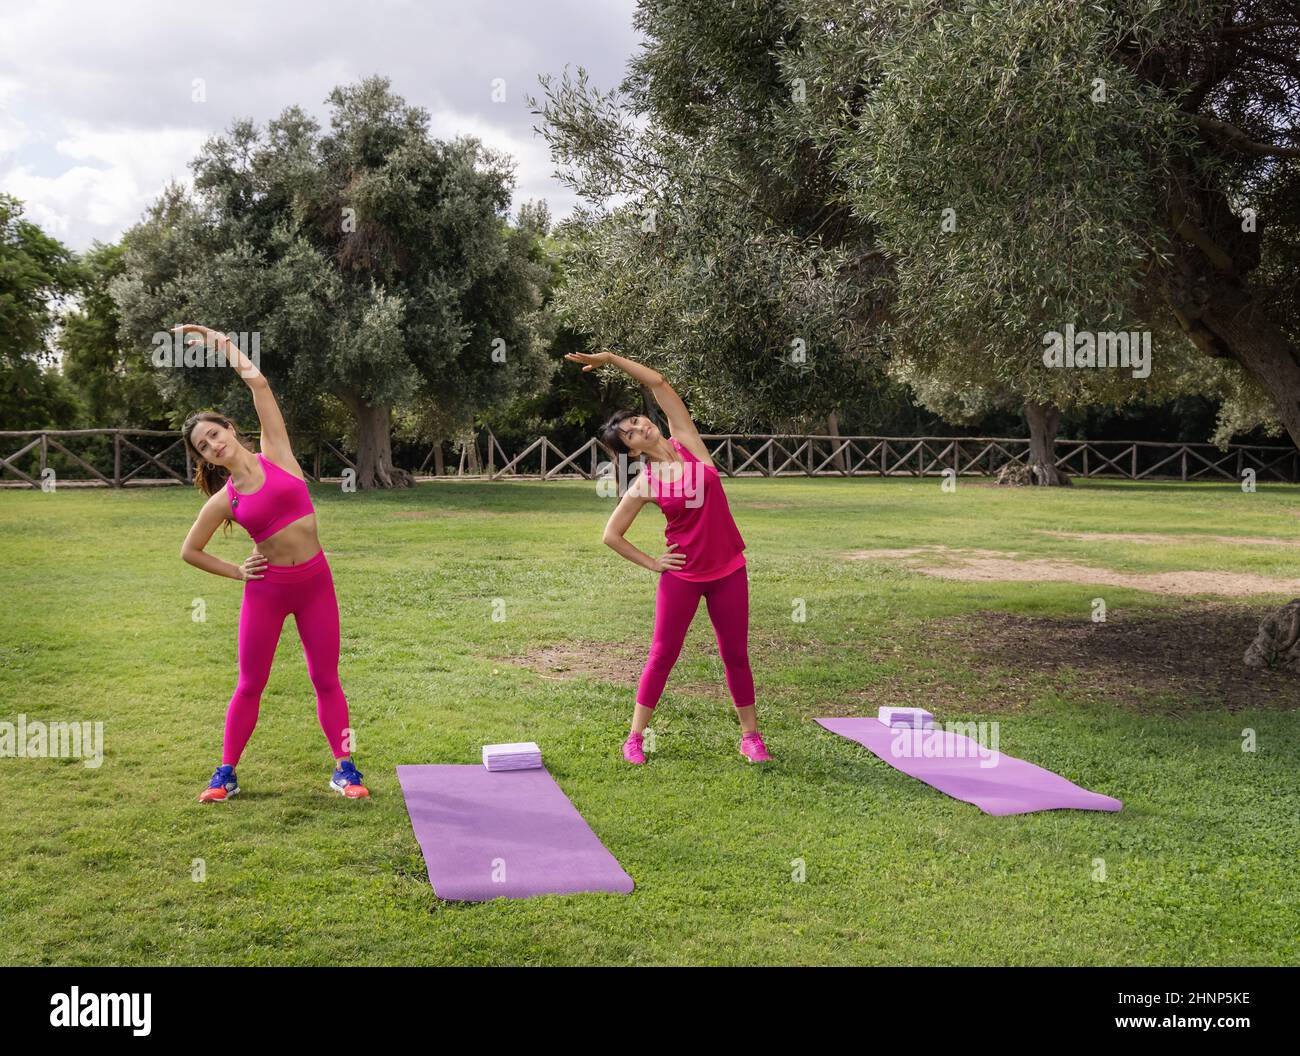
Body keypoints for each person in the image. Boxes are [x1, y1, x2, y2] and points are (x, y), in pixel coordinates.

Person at [176, 323, 369, 802]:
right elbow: (190, 550)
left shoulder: (277, 454)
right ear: (205, 457)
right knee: (250, 683)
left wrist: (221, 343)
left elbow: (258, 384)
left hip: (315, 583)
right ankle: (226, 773)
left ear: (230, 429)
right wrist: (239, 572)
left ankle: (345, 769)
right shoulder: (226, 499)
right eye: (203, 446)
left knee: (326, 678)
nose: (213, 445)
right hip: (266, 591)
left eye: (214, 434)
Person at [567, 349, 771, 765]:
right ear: (633, 450)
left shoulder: (689, 443)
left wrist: (611, 360)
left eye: (637, 421)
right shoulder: (646, 482)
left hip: (729, 568)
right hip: (684, 575)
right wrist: (654, 563)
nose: (640, 426)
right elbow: (611, 534)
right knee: (663, 654)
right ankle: (635, 738)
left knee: (735, 653)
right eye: (630, 432)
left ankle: (750, 737)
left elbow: (659, 383)